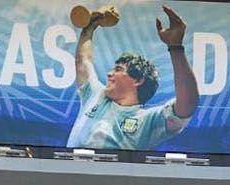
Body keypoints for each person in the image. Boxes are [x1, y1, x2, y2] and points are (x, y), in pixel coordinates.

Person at [69, 4, 199, 151]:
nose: (109, 74)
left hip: (109, 173)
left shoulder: (147, 121)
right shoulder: (95, 95)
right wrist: (91, 25)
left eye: (118, 69)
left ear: (138, 80)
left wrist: (176, 47)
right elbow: (83, 60)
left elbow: (187, 104)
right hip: (67, 171)